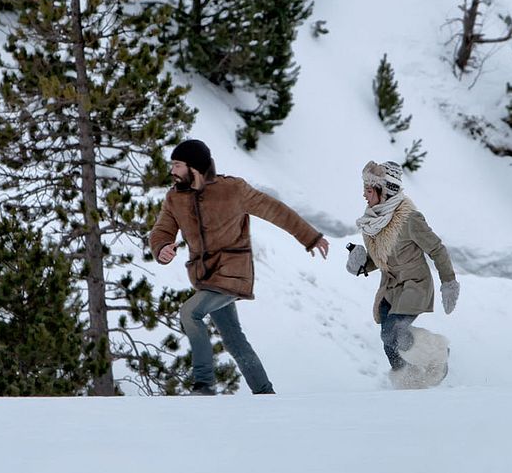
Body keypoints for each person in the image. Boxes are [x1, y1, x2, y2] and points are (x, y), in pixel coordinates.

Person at [149, 139, 330, 395]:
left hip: (233, 273)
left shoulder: (233, 189)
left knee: (190, 313)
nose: (173, 171)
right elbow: (162, 230)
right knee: (234, 339)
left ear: (194, 167)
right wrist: (162, 247)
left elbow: (275, 211)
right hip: (206, 278)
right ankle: (264, 393)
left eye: (177, 165)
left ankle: (203, 384)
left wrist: (310, 237)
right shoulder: (174, 198)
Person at [346, 160, 459, 382]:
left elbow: (437, 249)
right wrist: (360, 263)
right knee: (388, 340)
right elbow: (379, 259)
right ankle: (408, 381)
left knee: (394, 331)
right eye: (364, 189)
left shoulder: (409, 219)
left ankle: (438, 353)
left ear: (385, 190)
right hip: (390, 289)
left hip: (414, 285)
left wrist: (449, 282)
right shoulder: (372, 222)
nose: (364, 195)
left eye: (369, 190)